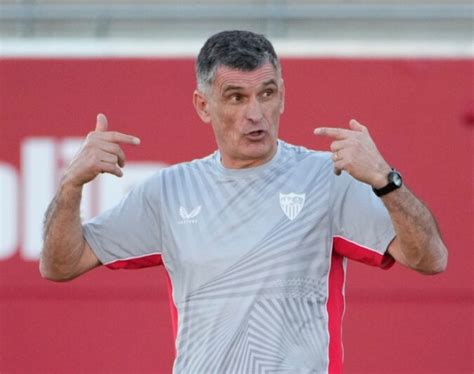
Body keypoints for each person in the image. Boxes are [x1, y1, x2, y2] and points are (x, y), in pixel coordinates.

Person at [40, 30, 448, 373]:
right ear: (204, 105)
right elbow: (60, 265)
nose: (256, 114)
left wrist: (386, 180)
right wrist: (71, 185)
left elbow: (432, 259)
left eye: (266, 93)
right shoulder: (169, 190)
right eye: (236, 97)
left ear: (282, 95)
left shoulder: (328, 177)